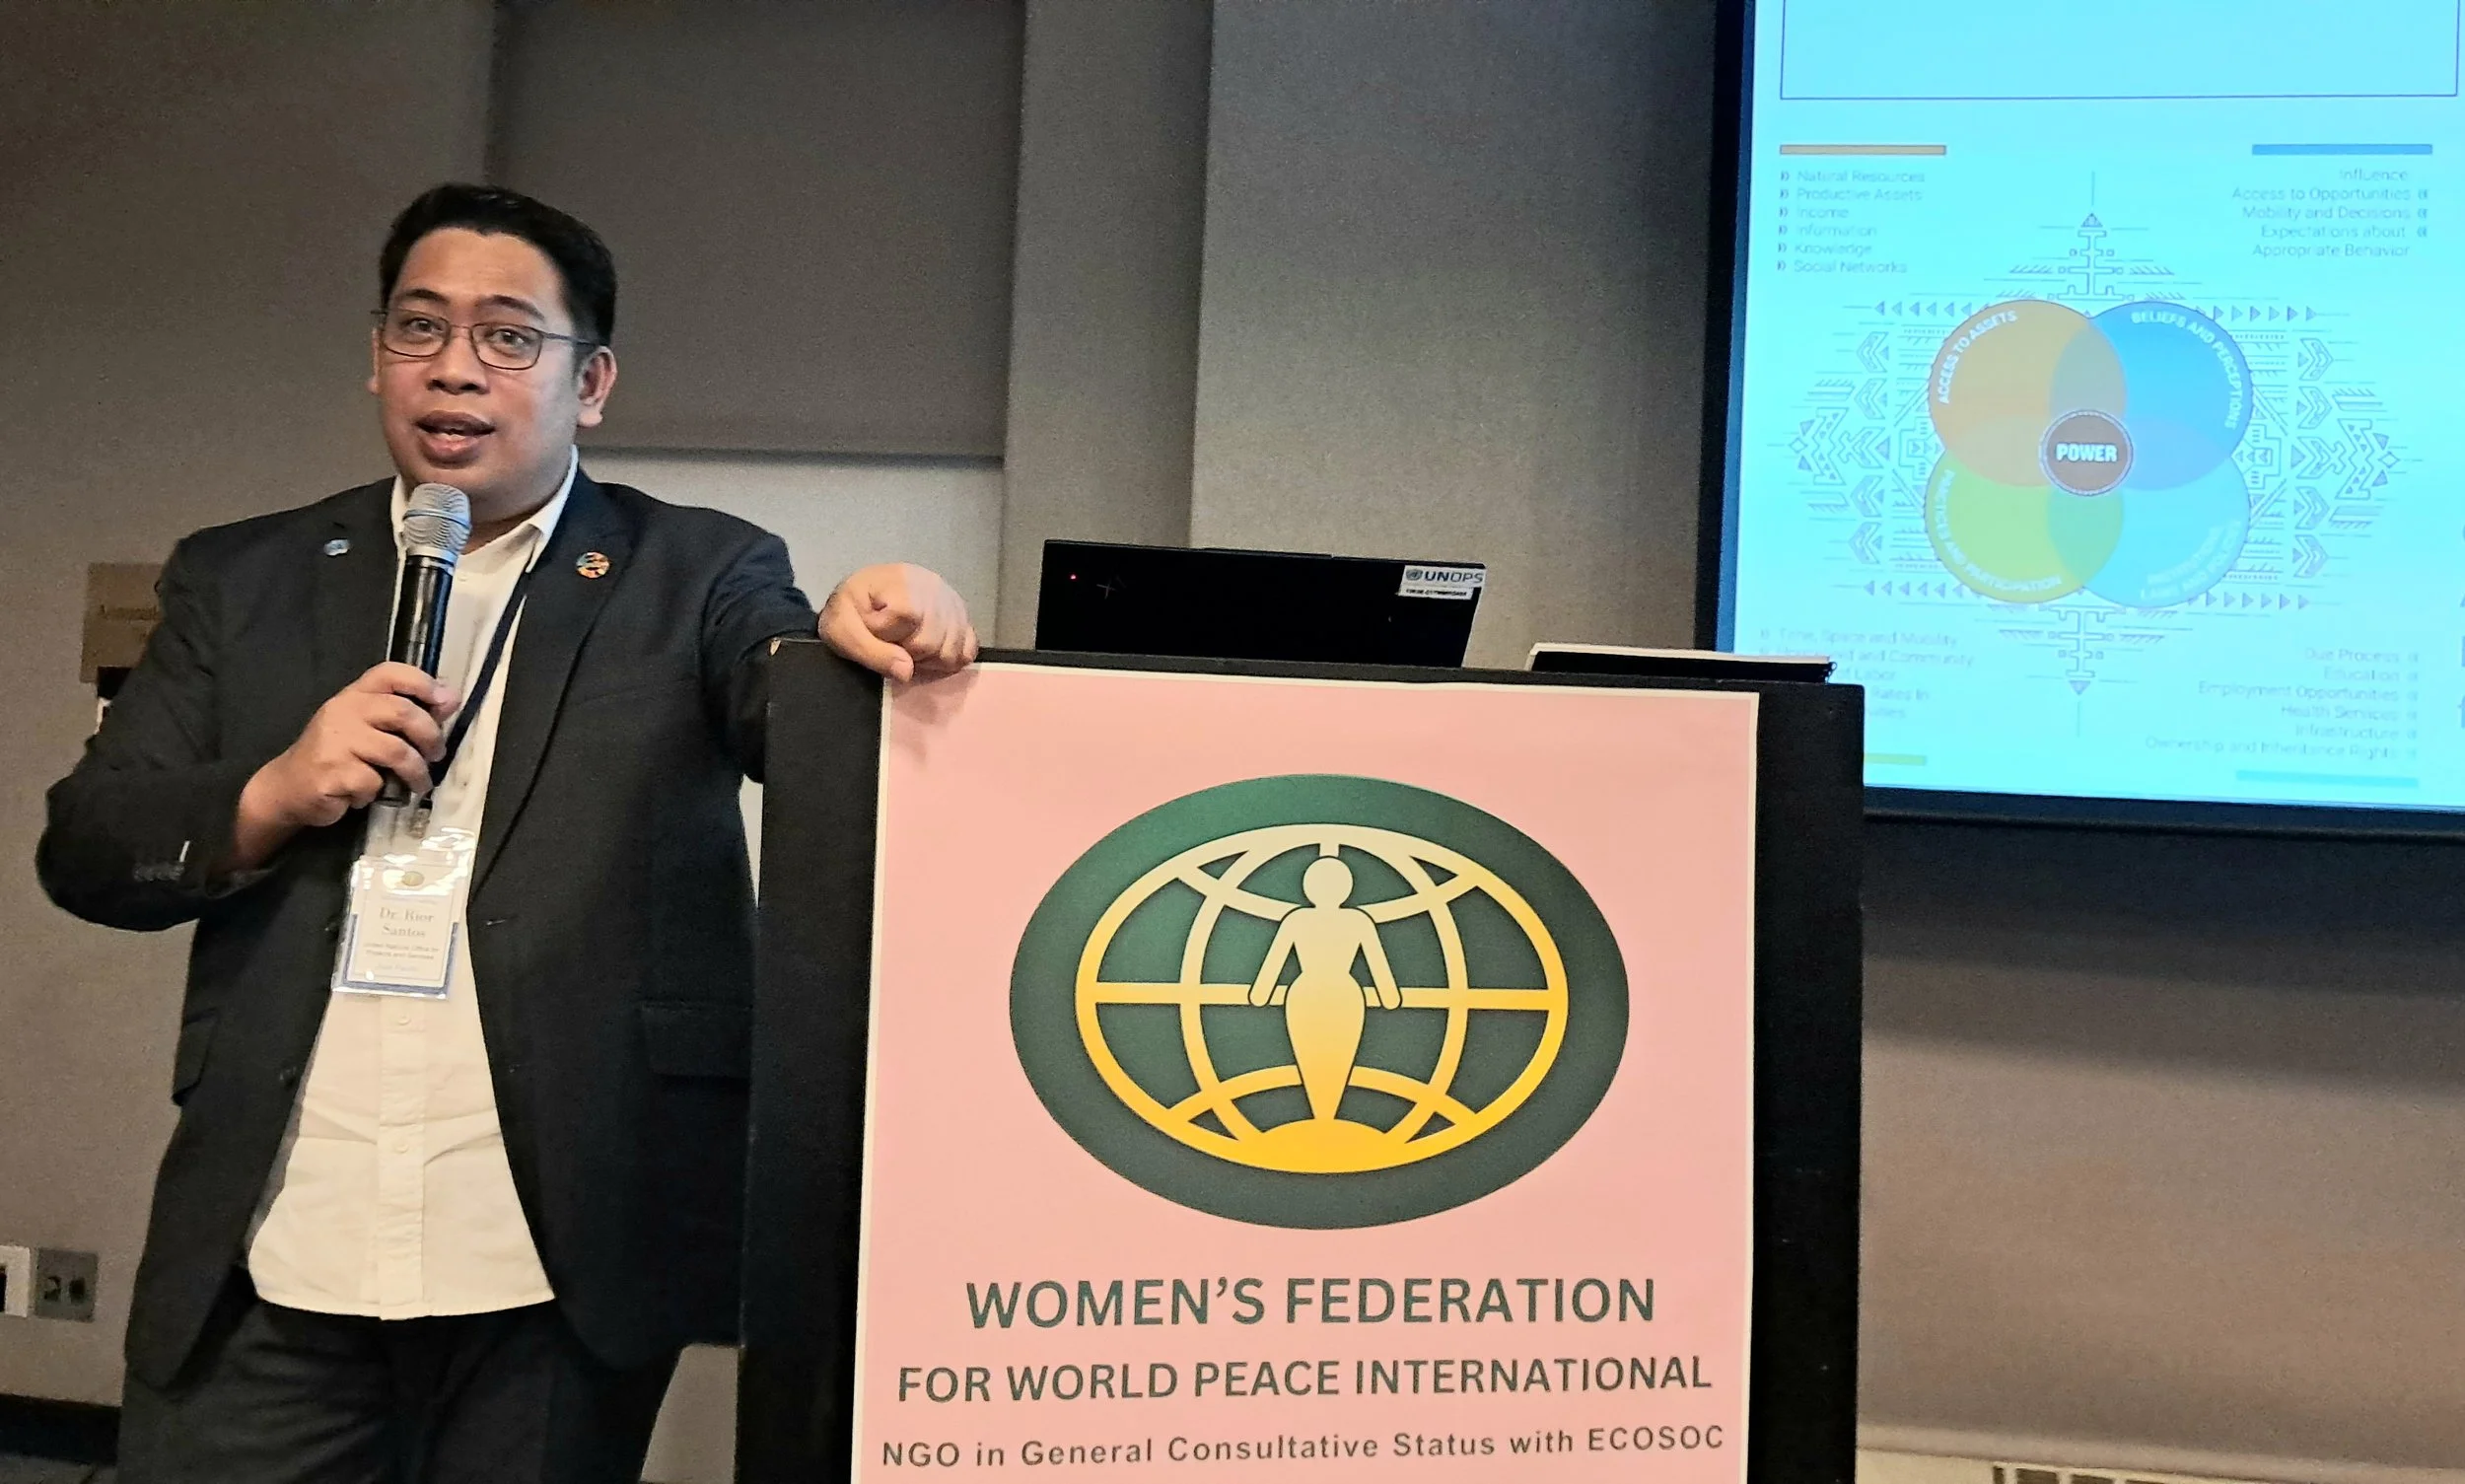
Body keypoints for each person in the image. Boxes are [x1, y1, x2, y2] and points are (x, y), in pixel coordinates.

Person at [36, 183, 976, 1484]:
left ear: (590, 383)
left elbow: (786, 700)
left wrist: (869, 626)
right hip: (280, 1240)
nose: (455, 368)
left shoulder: (696, 570)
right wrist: (271, 792)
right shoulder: (240, 577)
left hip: (556, 1253)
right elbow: (89, 844)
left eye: (509, 336)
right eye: (419, 328)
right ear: (376, 357)